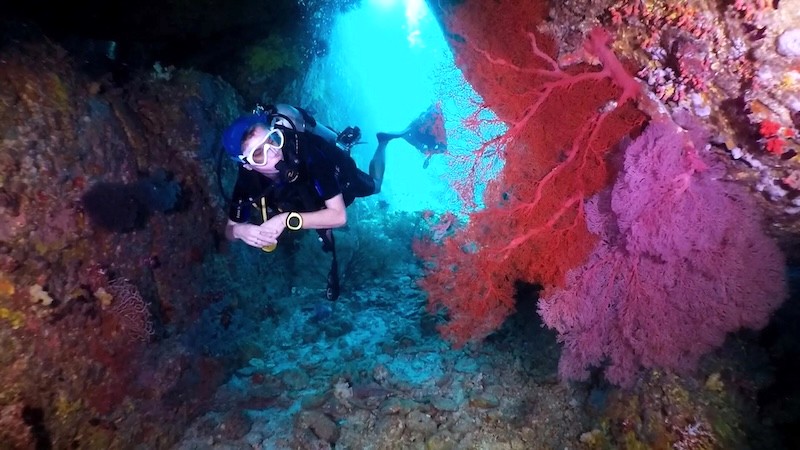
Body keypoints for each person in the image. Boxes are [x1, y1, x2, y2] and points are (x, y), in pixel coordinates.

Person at [221, 104, 407, 300]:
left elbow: (338, 216)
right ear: (247, 165)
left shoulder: (307, 155)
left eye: (273, 139)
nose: (274, 152)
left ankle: (382, 142)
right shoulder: (248, 182)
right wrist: (241, 231)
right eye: (259, 153)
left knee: (375, 186)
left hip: (338, 176)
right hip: (309, 202)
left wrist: (285, 220)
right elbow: (230, 229)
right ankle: (338, 138)